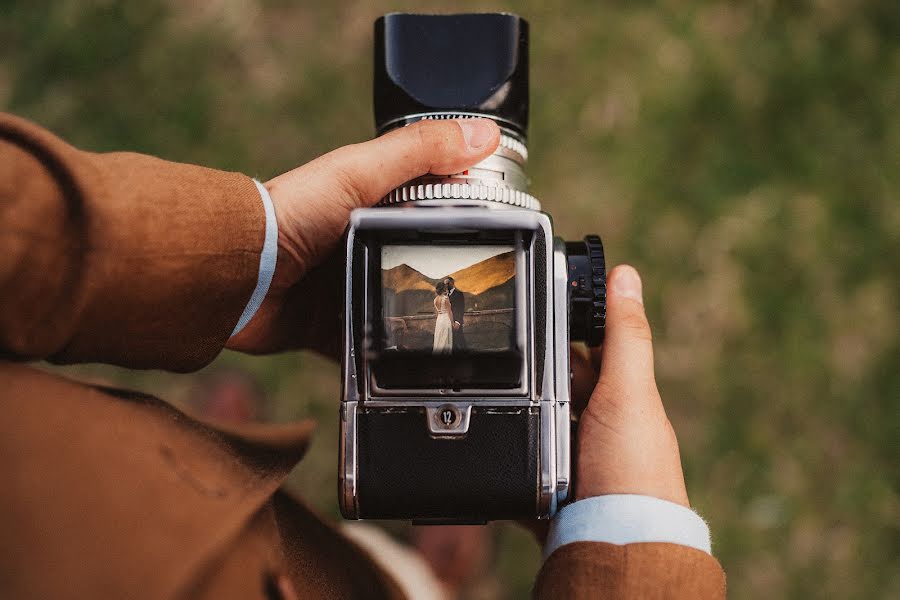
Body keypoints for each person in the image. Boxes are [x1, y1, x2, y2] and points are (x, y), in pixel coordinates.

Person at [0, 113, 725, 598]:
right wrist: (634, 541)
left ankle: (398, 558)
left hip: (86, 471)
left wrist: (234, 261)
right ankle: (426, 578)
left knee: (173, 465)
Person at [443, 276, 466, 351]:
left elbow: (461, 308)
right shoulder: (445, 295)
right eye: (445, 284)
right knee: (451, 343)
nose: (446, 285)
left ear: (452, 283)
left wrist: (458, 322)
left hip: (456, 323)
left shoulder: (459, 294)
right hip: (448, 322)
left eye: (447, 283)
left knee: (461, 342)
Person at [432, 281, 453, 355]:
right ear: (443, 288)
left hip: (439, 320)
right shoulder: (445, 298)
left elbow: (437, 313)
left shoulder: (435, 300)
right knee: (446, 338)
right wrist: (452, 323)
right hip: (445, 319)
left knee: (439, 338)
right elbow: (450, 312)